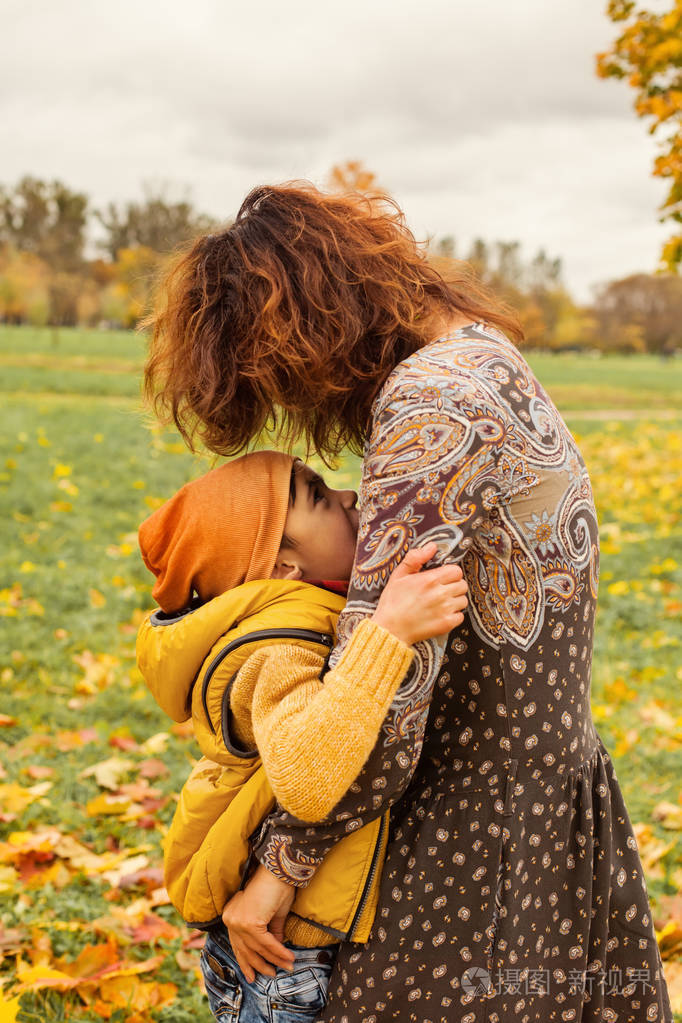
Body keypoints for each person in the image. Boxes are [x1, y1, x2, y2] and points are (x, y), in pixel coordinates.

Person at [142, 183, 674, 1022]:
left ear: (307, 328)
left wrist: (277, 871)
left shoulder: (428, 404)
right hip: (546, 803)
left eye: (281, 377)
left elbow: (389, 705)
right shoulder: (485, 351)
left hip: (460, 844)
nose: (304, 406)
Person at [136, 448, 469, 1022]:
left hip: (302, 936)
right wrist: (388, 633)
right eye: (317, 497)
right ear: (283, 567)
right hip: (285, 964)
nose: (347, 498)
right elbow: (309, 780)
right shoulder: (274, 648)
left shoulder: (299, 611)